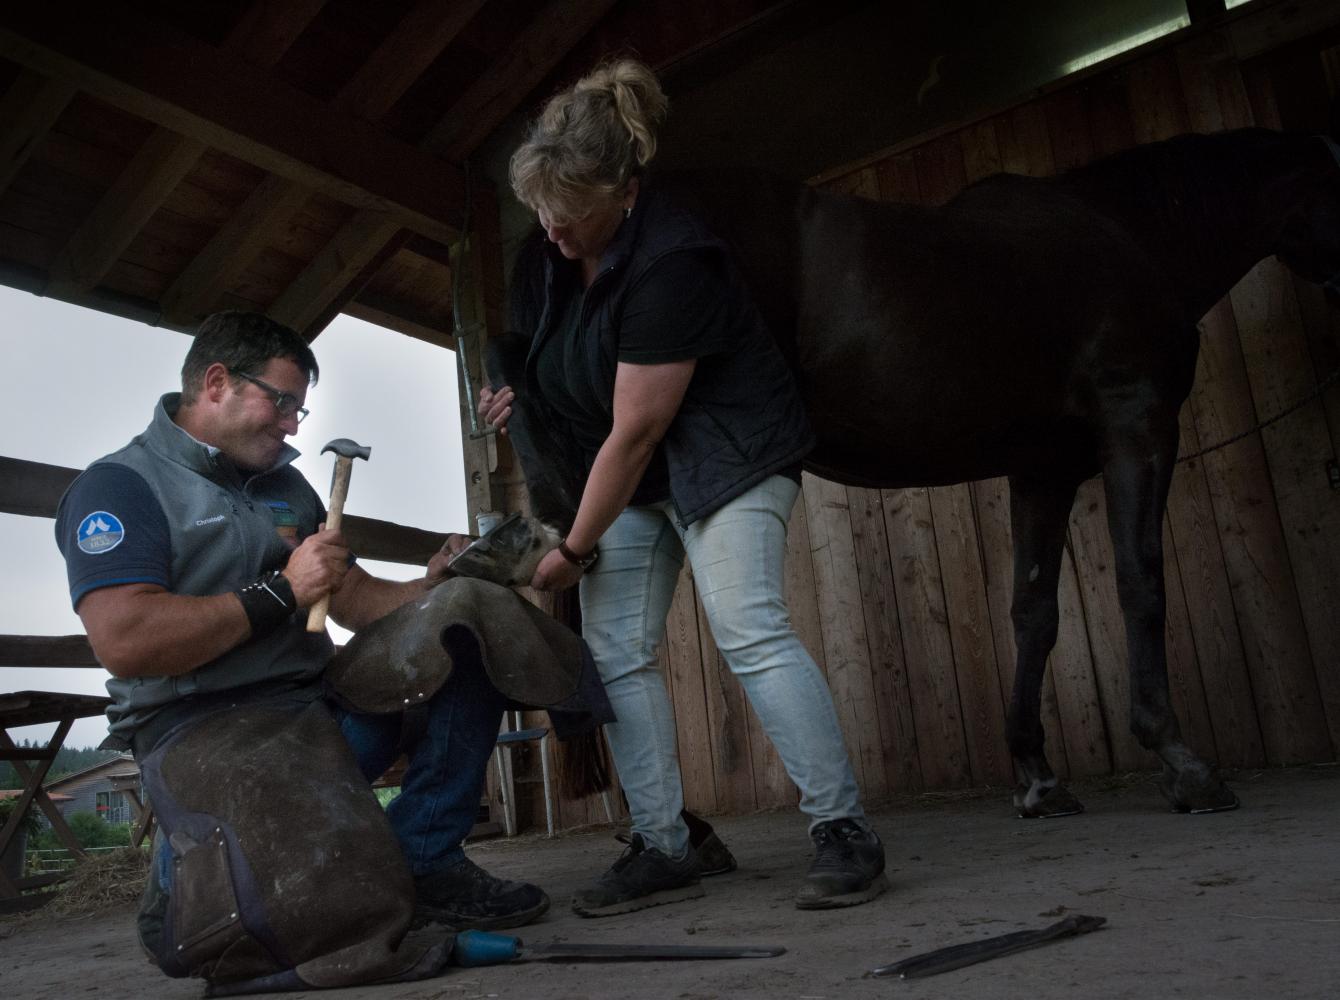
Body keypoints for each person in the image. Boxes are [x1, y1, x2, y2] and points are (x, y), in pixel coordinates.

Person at [482, 58, 886, 917]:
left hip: (727, 454)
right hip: (635, 471)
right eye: (543, 216)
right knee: (615, 650)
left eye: (571, 216)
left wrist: (574, 548)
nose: (553, 235)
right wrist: (520, 394)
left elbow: (638, 428)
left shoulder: (674, 259)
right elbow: (571, 376)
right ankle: (664, 845)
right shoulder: (555, 254)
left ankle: (844, 829)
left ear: (626, 190)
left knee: (749, 629)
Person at [54, 310, 548, 933]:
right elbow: (125, 640)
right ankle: (191, 856)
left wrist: (436, 584)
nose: (292, 425)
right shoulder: (120, 488)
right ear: (216, 383)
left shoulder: (285, 483)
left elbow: (352, 597)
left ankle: (426, 859)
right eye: (282, 402)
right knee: (284, 914)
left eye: (299, 411)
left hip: (317, 712)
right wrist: (282, 592)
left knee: (462, 628)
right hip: (203, 729)